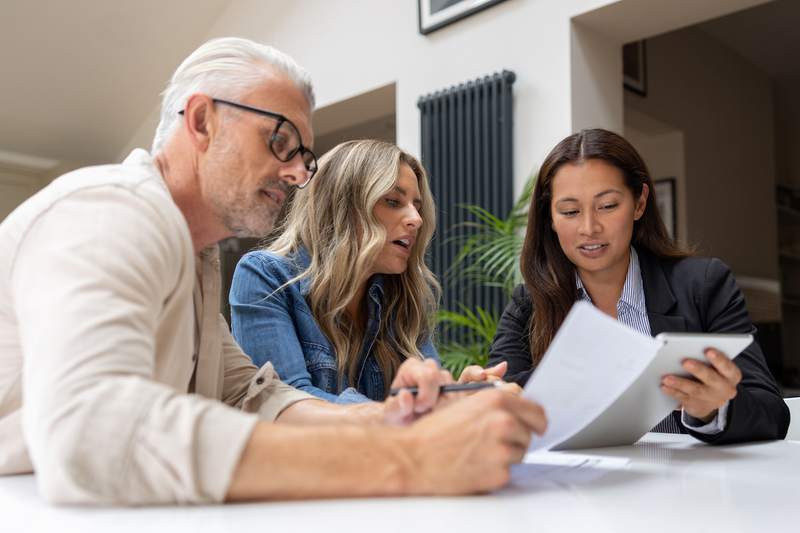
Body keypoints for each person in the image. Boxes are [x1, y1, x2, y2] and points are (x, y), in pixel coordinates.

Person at [0, 37, 547, 505]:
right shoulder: (109, 211)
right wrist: (405, 457)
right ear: (201, 120)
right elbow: (91, 430)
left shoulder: (196, 259)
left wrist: (400, 418)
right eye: (279, 140)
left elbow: (257, 397)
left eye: (302, 155)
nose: (295, 173)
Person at [488, 128, 788, 444]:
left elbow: (772, 414)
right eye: (570, 211)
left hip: (687, 487)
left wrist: (714, 410)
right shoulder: (529, 302)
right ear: (550, 217)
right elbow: (498, 398)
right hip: (578, 486)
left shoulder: (703, 285)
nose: (589, 227)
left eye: (607, 206)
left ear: (640, 203)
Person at [230, 140, 441, 403]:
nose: (417, 219)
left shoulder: (403, 294)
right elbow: (286, 404)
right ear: (343, 207)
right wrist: (390, 413)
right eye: (393, 201)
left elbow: (426, 398)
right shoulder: (266, 275)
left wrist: (454, 396)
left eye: (417, 207)